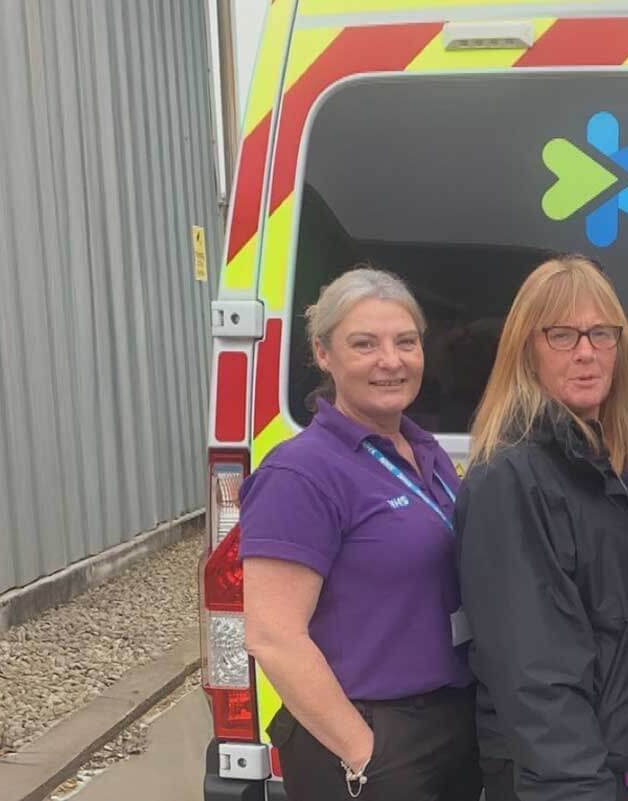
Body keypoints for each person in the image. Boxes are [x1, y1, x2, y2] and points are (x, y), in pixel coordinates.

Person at [455, 255, 628, 801]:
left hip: (621, 774)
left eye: (601, 334)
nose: (586, 352)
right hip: (567, 786)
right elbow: (536, 679)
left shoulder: (623, 467)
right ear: (526, 350)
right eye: (561, 335)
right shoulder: (511, 481)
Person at [238, 266, 481, 801]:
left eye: (406, 342)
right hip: (370, 735)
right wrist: (363, 752)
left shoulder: (427, 453)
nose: (390, 361)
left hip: (449, 723)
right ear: (324, 354)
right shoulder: (300, 473)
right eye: (364, 344)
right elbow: (273, 636)